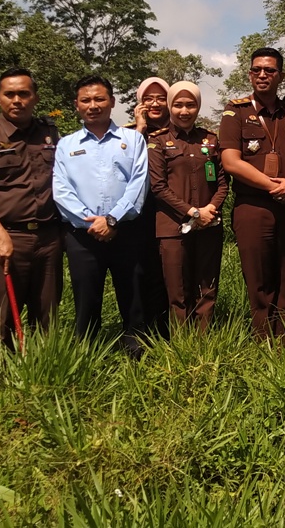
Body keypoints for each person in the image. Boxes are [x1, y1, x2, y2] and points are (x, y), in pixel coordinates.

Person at [0, 68, 63, 365]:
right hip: (6, 239)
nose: (16, 100)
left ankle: (46, 373)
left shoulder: (50, 133)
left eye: (23, 94)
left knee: (48, 315)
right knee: (2, 315)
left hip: (48, 238)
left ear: (35, 97)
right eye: (10, 94)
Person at [219, 48, 285, 341]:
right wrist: (272, 185)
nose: (263, 75)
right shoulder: (235, 112)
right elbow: (230, 161)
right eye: (257, 69)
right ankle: (262, 338)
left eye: (270, 70)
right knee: (258, 277)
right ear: (250, 74)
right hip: (253, 206)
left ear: (281, 76)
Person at [52, 75, 150, 357]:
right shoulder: (66, 145)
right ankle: (88, 355)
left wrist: (112, 219)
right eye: (86, 100)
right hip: (83, 235)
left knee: (133, 297)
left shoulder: (132, 139)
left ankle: (137, 354)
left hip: (125, 232)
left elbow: (138, 183)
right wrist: (91, 220)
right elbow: (61, 190)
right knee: (86, 297)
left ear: (112, 102)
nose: (93, 105)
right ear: (76, 105)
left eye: (99, 99)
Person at [148, 80, 228, 332]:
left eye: (190, 105)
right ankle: (182, 344)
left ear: (198, 107)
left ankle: (203, 341)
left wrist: (209, 211)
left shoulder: (211, 139)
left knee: (207, 285)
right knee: (178, 290)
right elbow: (158, 187)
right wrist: (194, 212)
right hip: (173, 227)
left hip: (209, 225)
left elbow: (223, 183)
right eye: (178, 105)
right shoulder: (158, 141)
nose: (184, 111)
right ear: (170, 107)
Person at [131, 77, 171, 337]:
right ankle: (141, 329)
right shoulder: (130, 132)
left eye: (160, 98)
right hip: (139, 211)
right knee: (141, 270)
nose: (155, 103)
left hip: (170, 208)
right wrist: (140, 128)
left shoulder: (179, 130)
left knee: (167, 270)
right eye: (149, 98)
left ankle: (168, 328)